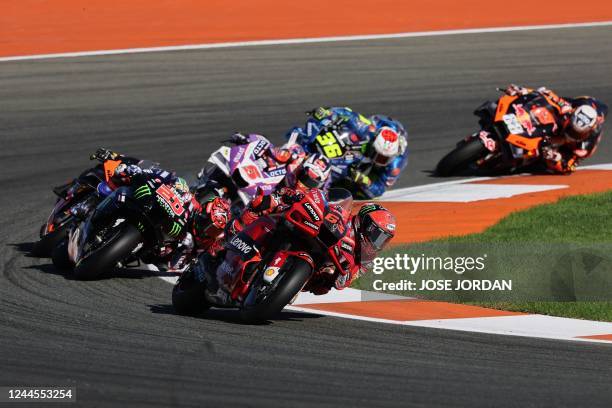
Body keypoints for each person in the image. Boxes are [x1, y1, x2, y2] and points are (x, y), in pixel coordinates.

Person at [286, 107, 408, 198]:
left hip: (357, 171)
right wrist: (326, 113)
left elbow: (379, 190)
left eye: (383, 158)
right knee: (303, 135)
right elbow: (344, 112)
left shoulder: (395, 163)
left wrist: (365, 180)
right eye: (378, 156)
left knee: (352, 192)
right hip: (338, 146)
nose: (379, 160)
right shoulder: (366, 126)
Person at [503, 84, 607, 173]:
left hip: (562, 146)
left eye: (576, 133)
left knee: (542, 164)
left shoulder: (584, 148)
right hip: (577, 106)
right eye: (571, 129)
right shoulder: (570, 107)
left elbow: (569, 167)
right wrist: (524, 91)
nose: (571, 134)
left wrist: (556, 157)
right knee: (546, 107)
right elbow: (546, 93)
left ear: (587, 132)